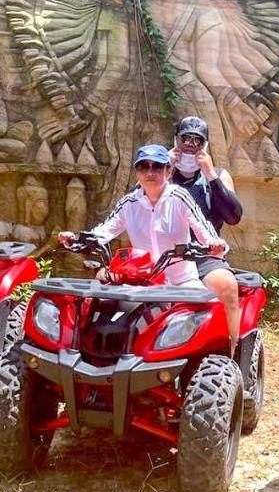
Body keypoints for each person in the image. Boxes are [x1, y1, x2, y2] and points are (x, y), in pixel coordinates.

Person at [57, 144, 227, 291]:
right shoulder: (129, 203)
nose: (150, 172)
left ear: (168, 171)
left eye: (157, 167)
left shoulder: (180, 197)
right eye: (144, 167)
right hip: (143, 282)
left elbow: (202, 226)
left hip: (182, 282)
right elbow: (104, 230)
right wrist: (76, 239)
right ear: (137, 173)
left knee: (205, 313)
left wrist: (213, 243)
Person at [167, 116, 243, 354]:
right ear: (175, 141)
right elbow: (132, 205)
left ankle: (231, 356)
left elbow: (233, 216)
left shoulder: (218, 174)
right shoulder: (159, 172)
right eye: (185, 138)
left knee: (227, 286)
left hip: (205, 255)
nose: (190, 144)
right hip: (164, 254)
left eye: (197, 140)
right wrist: (164, 172)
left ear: (206, 145)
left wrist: (211, 175)